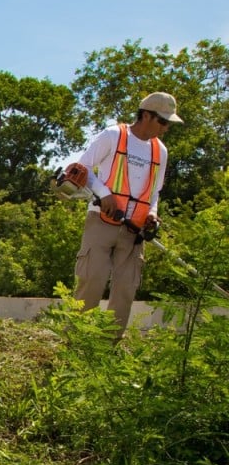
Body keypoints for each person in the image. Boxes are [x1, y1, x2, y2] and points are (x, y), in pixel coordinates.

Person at [71, 91, 181, 335]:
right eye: (162, 121)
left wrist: (152, 213)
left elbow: (155, 192)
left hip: (135, 230)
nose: (165, 128)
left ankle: (109, 348)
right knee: (92, 280)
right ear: (145, 115)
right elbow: (81, 168)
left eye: (168, 123)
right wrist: (104, 193)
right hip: (101, 220)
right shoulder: (113, 135)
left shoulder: (160, 151)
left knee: (125, 290)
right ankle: (76, 342)